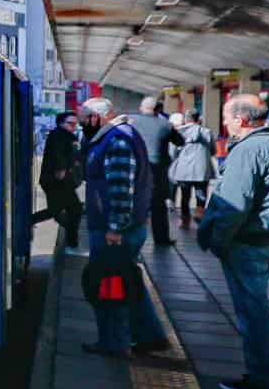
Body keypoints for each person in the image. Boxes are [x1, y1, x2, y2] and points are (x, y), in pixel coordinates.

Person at [198, 94, 269, 389]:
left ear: (241, 120)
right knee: (258, 306)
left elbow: (233, 203)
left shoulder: (248, 150)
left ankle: (264, 379)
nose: (225, 123)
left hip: (249, 240)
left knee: (252, 311)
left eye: (227, 117)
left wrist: (217, 240)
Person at [77, 97, 167, 357]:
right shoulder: (119, 135)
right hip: (123, 225)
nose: (83, 123)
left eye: (85, 117)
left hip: (114, 229)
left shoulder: (116, 140)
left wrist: (115, 227)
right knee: (127, 279)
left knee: (110, 285)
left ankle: (114, 342)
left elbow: (120, 189)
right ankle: (151, 336)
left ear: (100, 116)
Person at [127, 96, 185, 247]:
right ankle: (161, 239)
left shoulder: (131, 123)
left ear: (141, 108)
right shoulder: (165, 124)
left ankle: (128, 236)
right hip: (158, 174)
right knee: (158, 207)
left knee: (133, 204)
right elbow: (180, 141)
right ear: (158, 109)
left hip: (135, 170)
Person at [39, 112, 84, 249]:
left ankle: (72, 239)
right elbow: (58, 153)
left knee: (60, 209)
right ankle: (72, 240)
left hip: (60, 180)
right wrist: (62, 169)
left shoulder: (67, 135)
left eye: (75, 124)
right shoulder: (58, 134)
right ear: (61, 123)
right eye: (70, 123)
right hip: (57, 180)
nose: (73, 126)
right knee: (74, 209)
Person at [169, 110, 216, 228]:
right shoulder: (206, 132)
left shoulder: (179, 132)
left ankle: (185, 219)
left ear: (186, 119)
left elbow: (173, 152)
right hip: (202, 168)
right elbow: (213, 150)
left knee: (185, 195)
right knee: (201, 192)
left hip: (184, 169)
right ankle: (199, 212)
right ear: (198, 119)